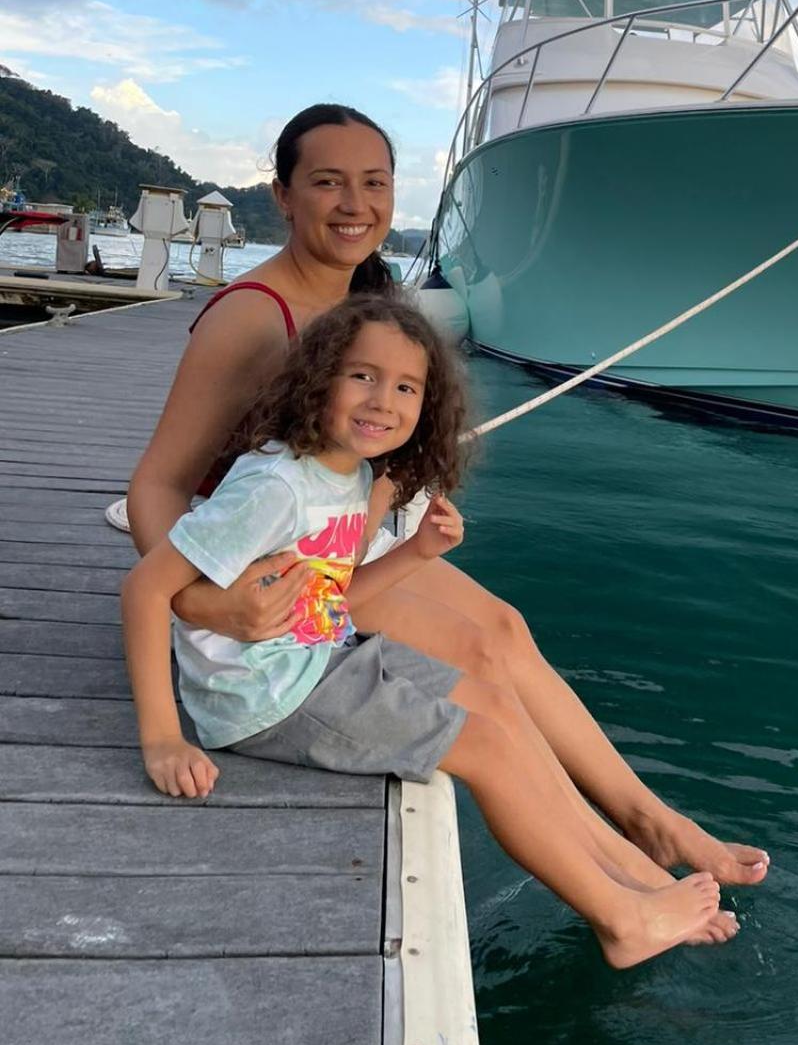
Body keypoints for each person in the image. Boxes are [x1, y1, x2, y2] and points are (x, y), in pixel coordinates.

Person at [127, 102, 769, 888]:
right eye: (328, 182)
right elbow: (159, 482)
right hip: (275, 566)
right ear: (283, 196)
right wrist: (198, 602)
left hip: (342, 537)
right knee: (476, 653)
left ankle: (643, 817)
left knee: (503, 627)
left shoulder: (366, 303)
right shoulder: (254, 316)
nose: (355, 204)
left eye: (374, 183)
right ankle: (625, 869)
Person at [122, 294, 732, 967]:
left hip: (319, 658)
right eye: (362, 375)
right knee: (487, 750)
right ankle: (619, 920)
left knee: (496, 705)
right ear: (316, 379)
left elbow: (333, 598)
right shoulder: (274, 487)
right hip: (269, 701)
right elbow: (146, 588)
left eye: (406, 387)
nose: (382, 401)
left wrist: (415, 554)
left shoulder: (348, 476)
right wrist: (163, 739)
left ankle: (633, 879)